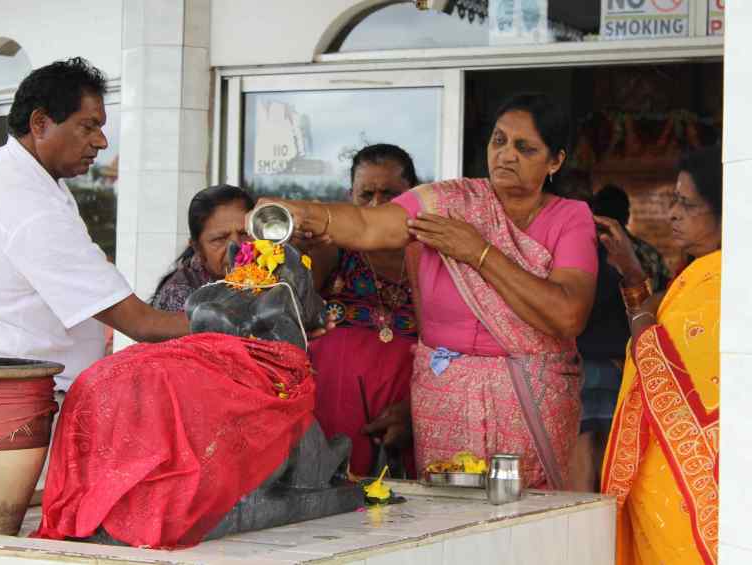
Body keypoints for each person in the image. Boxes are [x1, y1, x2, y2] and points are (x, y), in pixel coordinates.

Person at [266, 93, 598, 488]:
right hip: (446, 399)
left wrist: (479, 253)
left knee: (528, 513)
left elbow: (568, 314)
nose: (506, 155)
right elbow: (369, 226)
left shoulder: (570, 218)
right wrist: (302, 214)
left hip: (530, 402)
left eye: (525, 148)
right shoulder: (449, 202)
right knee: (445, 511)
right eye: (499, 140)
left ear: (555, 161)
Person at [0, 57, 188, 392]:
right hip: (16, 397)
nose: (101, 142)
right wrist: (234, 324)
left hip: (12, 387)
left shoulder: (15, 174)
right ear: (40, 123)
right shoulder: (24, 198)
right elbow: (141, 323)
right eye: (88, 127)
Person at [600, 146, 722, 565]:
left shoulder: (721, 284)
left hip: (687, 487)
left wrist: (636, 294)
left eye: (687, 204)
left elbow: (661, 374)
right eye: (673, 200)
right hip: (664, 476)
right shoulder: (699, 274)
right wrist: (633, 276)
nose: (672, 214)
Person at [307, 144, 419, 478]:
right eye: (366, 195)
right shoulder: (331, 249)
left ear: (414, 197)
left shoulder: (432, 256)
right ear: (350, 197)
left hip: (410, 413)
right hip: (332, 411)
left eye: (390, 195)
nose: (376, 205)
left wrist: (414, 411)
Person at [571, 184, 671, 492]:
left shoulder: (575, 253)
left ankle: (584, 514)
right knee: (614, 446)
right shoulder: (645, 254)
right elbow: (661, 306)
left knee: (582, 444)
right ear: (626, 215)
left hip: (582, 361)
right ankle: (609, 514)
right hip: (622, 362)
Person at [150, 185, 255, 312]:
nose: (237, 248)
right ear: (197, 248)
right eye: (220, 239)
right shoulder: (180, 295)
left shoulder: (269, 272)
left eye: (245, 234)